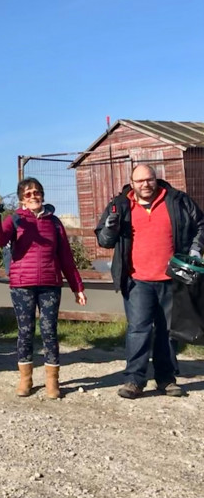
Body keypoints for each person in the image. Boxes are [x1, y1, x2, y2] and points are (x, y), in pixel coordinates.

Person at [96, 164, 204, 399]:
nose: (145, 184)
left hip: (171, 278)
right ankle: (134, 380)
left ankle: (166, 379)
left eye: (149, 179)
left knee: (168, 332)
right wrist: (110, 228)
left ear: (156, 179)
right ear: (131, 184)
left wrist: (196, 249)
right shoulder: (120, 204)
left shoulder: (177, 200)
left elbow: (201, 225)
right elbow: (104, 240)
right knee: (138, 330)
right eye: (140, 181)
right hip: (137, 279)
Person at [0, 178, 87, 399]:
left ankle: (52, 381)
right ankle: (26, 379)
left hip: (50, 284)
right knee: (25, 331)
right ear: (21, 198)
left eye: (37, 192)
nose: (33, 196)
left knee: (49, 331)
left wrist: (77, 287)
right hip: (22, 284)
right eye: (28, 193)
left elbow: (66, 257)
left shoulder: (54, 222)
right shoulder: (14, 219)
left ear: (42, 195)